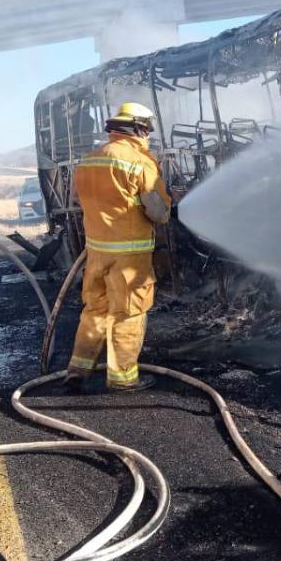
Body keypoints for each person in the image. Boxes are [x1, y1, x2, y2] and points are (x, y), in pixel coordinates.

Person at [67, 102, 171, 392]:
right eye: (146, 130)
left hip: (97, 252)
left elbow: (81, 202)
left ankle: (78, 369)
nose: (147, 136)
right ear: (138, 128)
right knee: (129, 313)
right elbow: (158, 212)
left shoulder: (89, 160)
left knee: (95, 309)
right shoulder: (139, 162)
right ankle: (123, 378)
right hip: (129, 256)